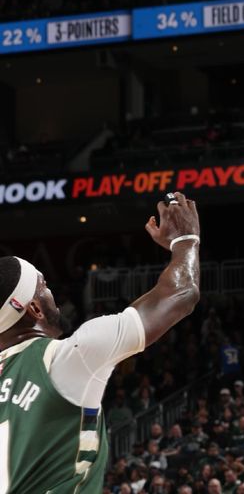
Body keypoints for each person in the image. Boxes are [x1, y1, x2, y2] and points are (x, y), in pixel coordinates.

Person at [0, 191, 200, 492]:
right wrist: (185, 241)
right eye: (44, 286)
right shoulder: (67, 357)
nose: (53, 293)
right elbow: (180, 294)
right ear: (34, 308)